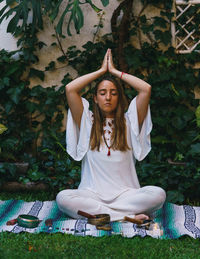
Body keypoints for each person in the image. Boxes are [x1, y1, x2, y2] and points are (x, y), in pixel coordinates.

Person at [56, 49, 166, 222]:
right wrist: (101, 72)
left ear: (119, 98)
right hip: (91, 194)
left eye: (114, 93)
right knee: (63, 198)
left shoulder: (130, 122)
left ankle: (104, 215)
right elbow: (70, 89)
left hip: (126, 195)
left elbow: (145, 89)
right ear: (95, 98)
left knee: (158, 194)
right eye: (103, 93)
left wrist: (114, 72)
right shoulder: (87, 122)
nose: (108, 97)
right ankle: (126, 216)